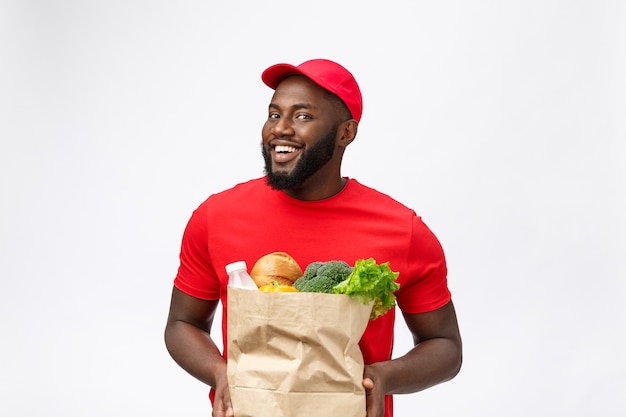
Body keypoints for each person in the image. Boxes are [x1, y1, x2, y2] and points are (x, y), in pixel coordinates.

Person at [164, 58, 462, 417]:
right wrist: (220, 374)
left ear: (345, 133)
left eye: (302, 116)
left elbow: (445, 345)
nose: (280, 129)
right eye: (274, 114)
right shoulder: (216, 217)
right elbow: (183, 323)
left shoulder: (402, 230)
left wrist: (383, 378)